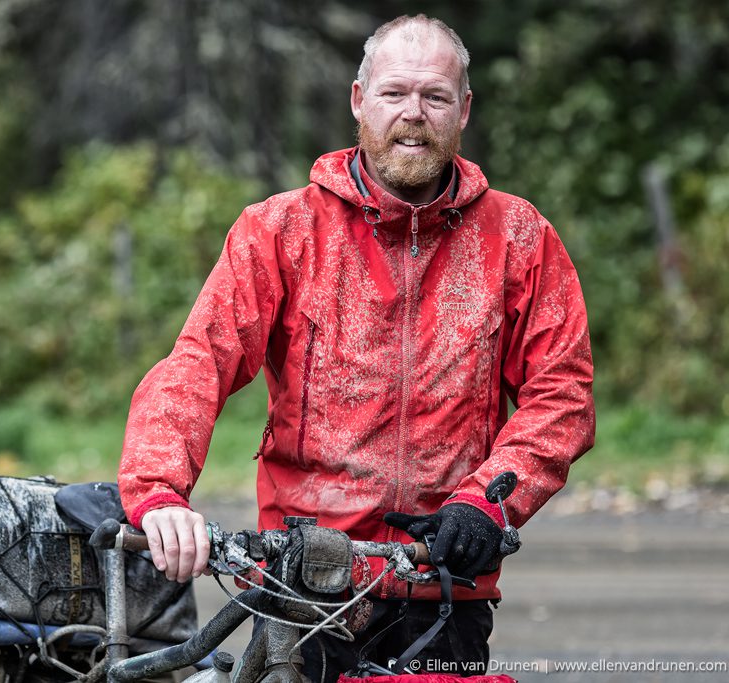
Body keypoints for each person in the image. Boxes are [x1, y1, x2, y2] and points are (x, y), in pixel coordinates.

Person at [118, 13, 594, 680]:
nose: (413, 114)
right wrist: (160, 491)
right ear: (358, 101)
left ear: (464, 110)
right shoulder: (280, 230)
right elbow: (199, 362)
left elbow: (563, 395)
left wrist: (488, 499)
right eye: (395, 93)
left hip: (444, 587)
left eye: (434, 96)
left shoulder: (519, 237)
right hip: (304, 584)